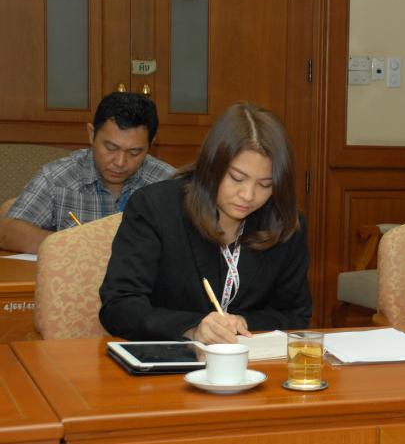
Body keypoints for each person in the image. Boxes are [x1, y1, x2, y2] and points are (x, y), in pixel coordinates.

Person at [99, 103, 311, 343]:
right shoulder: (156, 208)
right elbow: (119, 307)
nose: (248, 195)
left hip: (250, 360)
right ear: (212, 165)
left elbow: (296, 314)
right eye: (237, 178)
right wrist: (192, 328)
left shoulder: (284, 223)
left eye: (265, 184)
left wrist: (243, 321)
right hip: (168, 358)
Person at [0, 92, 174, 254]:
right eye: (111, 147)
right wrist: (80, 246)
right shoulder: (57, 178)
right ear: (91, 134)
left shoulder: (169, 183)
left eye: (134, 152)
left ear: (151, 144)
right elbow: (8, 232)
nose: (120, 162)